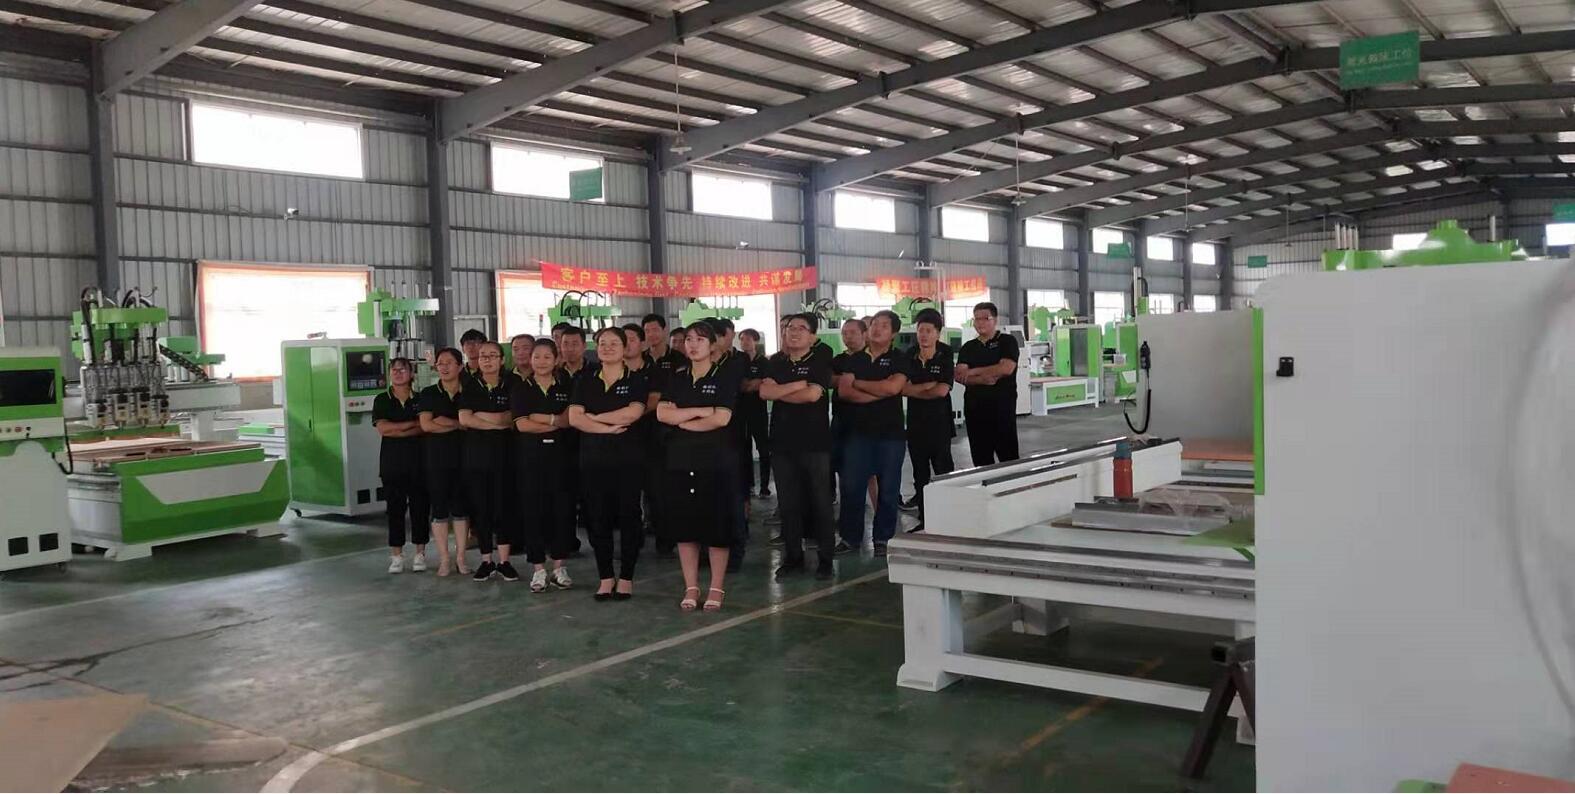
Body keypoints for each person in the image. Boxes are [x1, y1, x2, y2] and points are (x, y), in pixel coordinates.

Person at [656, 323, 743, 611]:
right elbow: (662, 413)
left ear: (713, 345)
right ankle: (691, 587)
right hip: (680, 460)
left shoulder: (725, 376)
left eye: (700, 340)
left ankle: (716, 587)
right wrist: (698, 412)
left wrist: (681, 420)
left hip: (715, 460)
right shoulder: (677, 377)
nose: (692, 345)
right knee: (685, 526)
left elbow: (721, 419)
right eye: (688, 339)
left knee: (716, 527)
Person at [569, 327, 648, 601]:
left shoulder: (636, 380)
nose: (607, 347)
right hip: (593, 460)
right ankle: (605, 577)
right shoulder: (585, 380)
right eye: (603, 343)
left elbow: (632, 413)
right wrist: (606, 428)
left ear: (625, 348)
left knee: (629, 518)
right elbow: (575, 418)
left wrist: (594, 418)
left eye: (614, 343)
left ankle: (626, 577)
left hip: (628, 461)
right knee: (597, 518)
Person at [761, 313, 836, 579]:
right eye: (790, 328)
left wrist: (781, 391)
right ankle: (793, 558)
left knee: (820, 502)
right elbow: (765, 392)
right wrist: (795, 386)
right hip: (782, 444)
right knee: (789, 503)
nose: (793, 332)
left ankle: (826, 559)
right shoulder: (776, 362)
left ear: (812, 336)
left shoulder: (819, 361)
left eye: (801, 328)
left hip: (814, 444)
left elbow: (812, 395)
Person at [835, 310, 909, 557]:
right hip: (858, 434)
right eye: (874, 324)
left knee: (888, 489)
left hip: (891, 435)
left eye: (884, 326)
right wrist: (880, 392)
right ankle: (850, 538)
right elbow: (845, 392)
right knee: (851, 487)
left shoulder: (900, 358)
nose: (877, 329)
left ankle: (883, 538)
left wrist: (859, 384)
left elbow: (893, 388)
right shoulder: (855, 359)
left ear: (894, 333)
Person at [512, 338, 575, 592]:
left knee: (562, 511)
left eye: (547, 357)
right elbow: (522, 424)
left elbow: (569, 420)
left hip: (561, 457)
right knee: (533, 511)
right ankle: (538, 568)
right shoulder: (521, 388)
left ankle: (559, 567)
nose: (541, 362)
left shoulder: (567, 386)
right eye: (536, 357)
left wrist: (542, 418)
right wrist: (554, 421)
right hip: (530, 458)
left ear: (556, 359)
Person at [459, 341, 518, 582]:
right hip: (477, 458)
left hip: (506, 456)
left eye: (492, 355)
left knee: (504, 508)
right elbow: (465, 419)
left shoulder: (512, 383)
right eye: (483, 356)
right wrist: (498, 423)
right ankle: (486, 560)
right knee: (481, 509)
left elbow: (513, 417)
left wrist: (483, 417)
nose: (487, 359)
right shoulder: (470, 385)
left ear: (502, 360)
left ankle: (504, 561)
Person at [901, 309, 955, 532]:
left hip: (940, 424)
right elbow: (902, 388)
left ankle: (949, 517)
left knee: (944, 472)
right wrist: (927, 387)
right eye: (920, 330)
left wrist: (916, 389)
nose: (923, 335)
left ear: (937, 334)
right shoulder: (909, 355)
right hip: (916, 425)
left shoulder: (945, 354)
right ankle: (926, 519)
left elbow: (942, 390)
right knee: (920, 474)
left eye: (928, 331)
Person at [373, 357, 428, 574]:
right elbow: (384, 429)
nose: (398, 373)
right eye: (394, 370)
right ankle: (396, 555)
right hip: (391, 465)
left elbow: (425, 427)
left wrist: (399, 428)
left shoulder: (421, 399)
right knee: (394, 510)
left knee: (420, 509)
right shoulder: (382, 400)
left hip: (419, 463)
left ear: (411, 374)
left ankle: (420, 553)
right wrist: (411, 426)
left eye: (402, 369)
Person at [419, 348, 470, 576]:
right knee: (439, 510)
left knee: (461, 509)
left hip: (464, 457)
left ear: (460, 366)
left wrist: (444, 421)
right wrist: (458, 424)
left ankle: (461, 557)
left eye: (449, 362)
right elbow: (426, 425)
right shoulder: (429, 393)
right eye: (440, 363)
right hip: (436, 459)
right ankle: (444, 559)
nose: (444, 367)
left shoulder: (469, 391)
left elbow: (470, 423)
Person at [955, 301, 1021, 466]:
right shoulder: (968, 347)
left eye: (985, 318)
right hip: (975, 411)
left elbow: (1006, 368)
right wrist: (982, 379)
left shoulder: (1007, 341)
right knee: (981, 460)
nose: (980, 323)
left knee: (1008, 459)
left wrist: (972, 372)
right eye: (976, 319)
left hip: (1001, 410)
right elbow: (959, 375)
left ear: (995, 320)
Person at [708, 317, 751, 572]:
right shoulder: (689, 371)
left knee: (732, 496)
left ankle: (735, 552)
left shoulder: (733, 365)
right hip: (700, 443)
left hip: (730, 438)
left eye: (705, 338)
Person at [643, 314, 684, 559]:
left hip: (672, 430)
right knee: (653, 487)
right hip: (647, 431)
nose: (651, 334)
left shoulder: (678, 359)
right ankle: (659, 535)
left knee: (673, 486)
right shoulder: (643, 360)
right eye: (647, 331)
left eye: (655, 329)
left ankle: (675, 534)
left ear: (664, 330)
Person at [830, 318, 866, 532]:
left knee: (869, 475)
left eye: (852, 332)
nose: (848, 337)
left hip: (866, 422)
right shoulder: (838, 359)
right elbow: (828, 380)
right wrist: (853, 381)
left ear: (864, 334)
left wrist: (846, 381)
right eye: (844, 333)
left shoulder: (870, 358)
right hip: (841, 421)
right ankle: (847, 521)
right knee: (844, 474)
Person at [737, 328, 772, 498]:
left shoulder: (764, 362)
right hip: (741, 412)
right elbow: (741, 385)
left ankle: (764, 487)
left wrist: (751, 384)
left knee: (764, 449)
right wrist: (752, 384)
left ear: (756, 341)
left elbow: (763, 383)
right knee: (744, 450)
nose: (745, 342)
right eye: (742, 339)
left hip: (759, 411)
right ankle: (748, 485)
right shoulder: (738, 361)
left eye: (748, 339)